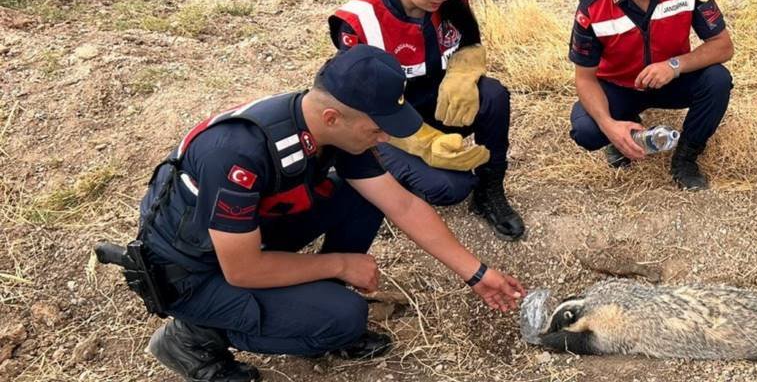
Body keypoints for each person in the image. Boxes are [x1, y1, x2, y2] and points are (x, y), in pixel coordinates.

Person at [135, 45, 524, 381]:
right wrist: (339, 264)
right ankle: (196, 335)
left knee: (361, 198)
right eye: (377, 128)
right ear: (333, 118)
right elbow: (242, 269)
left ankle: (310, 302)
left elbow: (401, 203)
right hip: (195, 273)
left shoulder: (329, 130)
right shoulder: (237, 152)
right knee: (344, 318)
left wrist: (477, 273)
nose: (385, 137)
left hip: (246, 237)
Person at [329, 0, 524, 241]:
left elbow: (469, 43)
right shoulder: (359, 22)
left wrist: (463, 74)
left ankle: (490, 191)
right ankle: (378, 185)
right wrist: (426, 143)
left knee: (493, 96)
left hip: (433, 105)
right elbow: (362, 110)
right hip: (386, 127)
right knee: (451, 187)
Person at [568, 0, 734, 190]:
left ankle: (685, 158)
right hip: (618, 87)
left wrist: (674, 65)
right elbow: (584, 78)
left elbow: (723, 46)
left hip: (670, 80)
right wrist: (610, 126)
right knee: (586, 129)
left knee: (718, 80)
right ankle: (624, 134)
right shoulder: (593, 5)